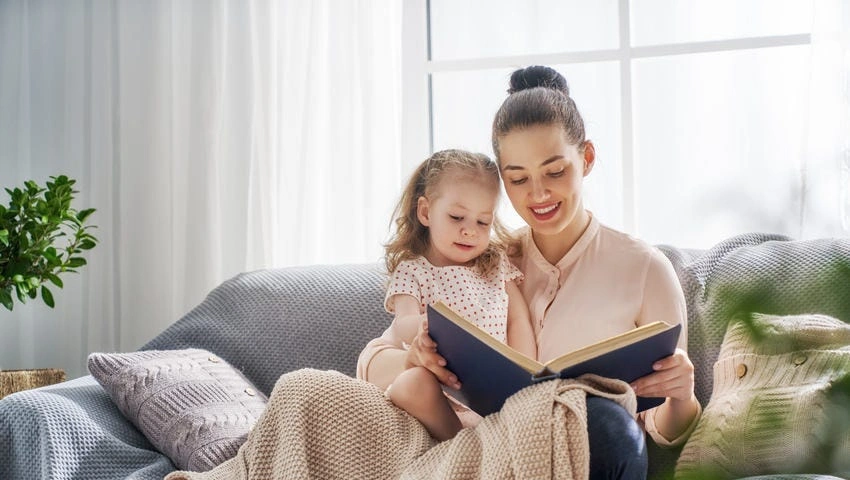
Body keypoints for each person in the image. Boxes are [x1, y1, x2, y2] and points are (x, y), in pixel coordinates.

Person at [358, 66, 702, 479]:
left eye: (555, 172)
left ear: (587, 158)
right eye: (518, 179)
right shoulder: (483, 258)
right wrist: (416, 359)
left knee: (611, 427)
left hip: (592, 453)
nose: (537, 195)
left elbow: (657, 432)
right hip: (488, 450)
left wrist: (681, 398)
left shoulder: (645, 269)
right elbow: (372, 360)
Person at [362, 148, 537, 442]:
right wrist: (433, 327)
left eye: (483, 222)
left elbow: (517, 319)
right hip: (439, 388)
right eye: (457, 217)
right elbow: (403, 322)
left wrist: (523, 373)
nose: (470, 231)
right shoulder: (414, 270)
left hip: (488, 389)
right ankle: (461, 448)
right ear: (426, 212)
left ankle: (476, 443)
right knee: (412, 383)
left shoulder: (495, 264)